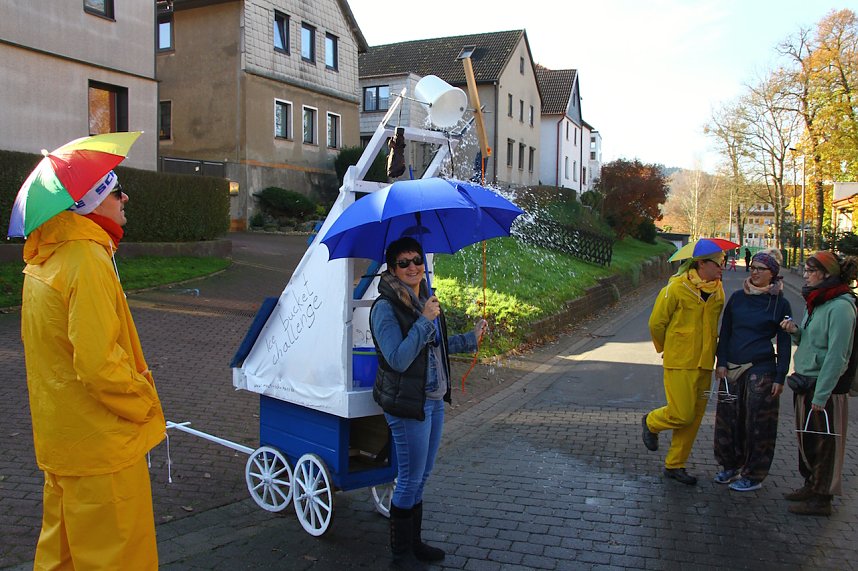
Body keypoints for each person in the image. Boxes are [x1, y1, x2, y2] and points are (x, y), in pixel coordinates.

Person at [20, 171, 165, 569]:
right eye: (116, 192)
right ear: (90, 203)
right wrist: (145, 403)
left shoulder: (48, 256)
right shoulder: (86, 260)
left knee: (60, 557)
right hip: (103, 451)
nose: (125, 199)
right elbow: (98, 364)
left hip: (64, 444)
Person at [370, 236, 487, 566]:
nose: (413, 267)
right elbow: (397, 359)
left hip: (433, 400)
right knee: (408, 478)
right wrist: (424, 320)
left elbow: (436, 346)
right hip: (408, 404)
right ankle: (400, 553)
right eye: (404, 263)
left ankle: (415, 543)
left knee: (423, 475)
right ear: (392, 269)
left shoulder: (424, 298)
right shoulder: (385, 308)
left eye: (417, 260)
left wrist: (470, 338)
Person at [779, 251, 857, 516]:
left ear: (826, 274)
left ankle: (822, 498)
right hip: (806, 381)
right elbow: (814, 341)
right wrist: (797, 332)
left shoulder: (841, 306)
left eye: (811, 270)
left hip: (826, 389)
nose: (805, 274)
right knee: (808, 442)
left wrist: (822, 395)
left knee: (826, 444)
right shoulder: (818, 301)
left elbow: (838, 356)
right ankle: (810, 486)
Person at [642, 250, 725, 485]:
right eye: (718, 263)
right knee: (682, 413)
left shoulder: (718, 290)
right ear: (701, 263)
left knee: (694, 418)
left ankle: (675, 464)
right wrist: (669, 347)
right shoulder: (676, 288)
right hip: (680, 361)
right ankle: (651, 422)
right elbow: (656, 323)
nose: (722, 268)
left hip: (705, 363)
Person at [713, 249, 792, 492]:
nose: (755, 272)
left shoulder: (779, 303)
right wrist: (722, 361)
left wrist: (781, 375)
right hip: (732, 367)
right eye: (753, 267)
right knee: (728, 418)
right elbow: (725, 332)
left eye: (761, 269)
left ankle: (754, 474)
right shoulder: (737, 298)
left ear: (773, 274)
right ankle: (730, 464)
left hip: (762, 369)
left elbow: (785, 341)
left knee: (758, 423)